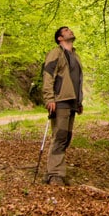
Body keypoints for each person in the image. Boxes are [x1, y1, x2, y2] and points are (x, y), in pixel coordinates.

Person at [41, 25, 83, 185]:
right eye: (66, 30)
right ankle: (55, 174)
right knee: (59, 136)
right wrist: (49, 98)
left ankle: (53, 170)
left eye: (70, 30)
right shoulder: (56, 53)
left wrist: (79, 101)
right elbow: (48, 75)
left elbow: (78, 80)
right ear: (60, 38)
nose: (70, 31)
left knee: (67, 137)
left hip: (72, 101)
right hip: (59, 100)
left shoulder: (75, 56)